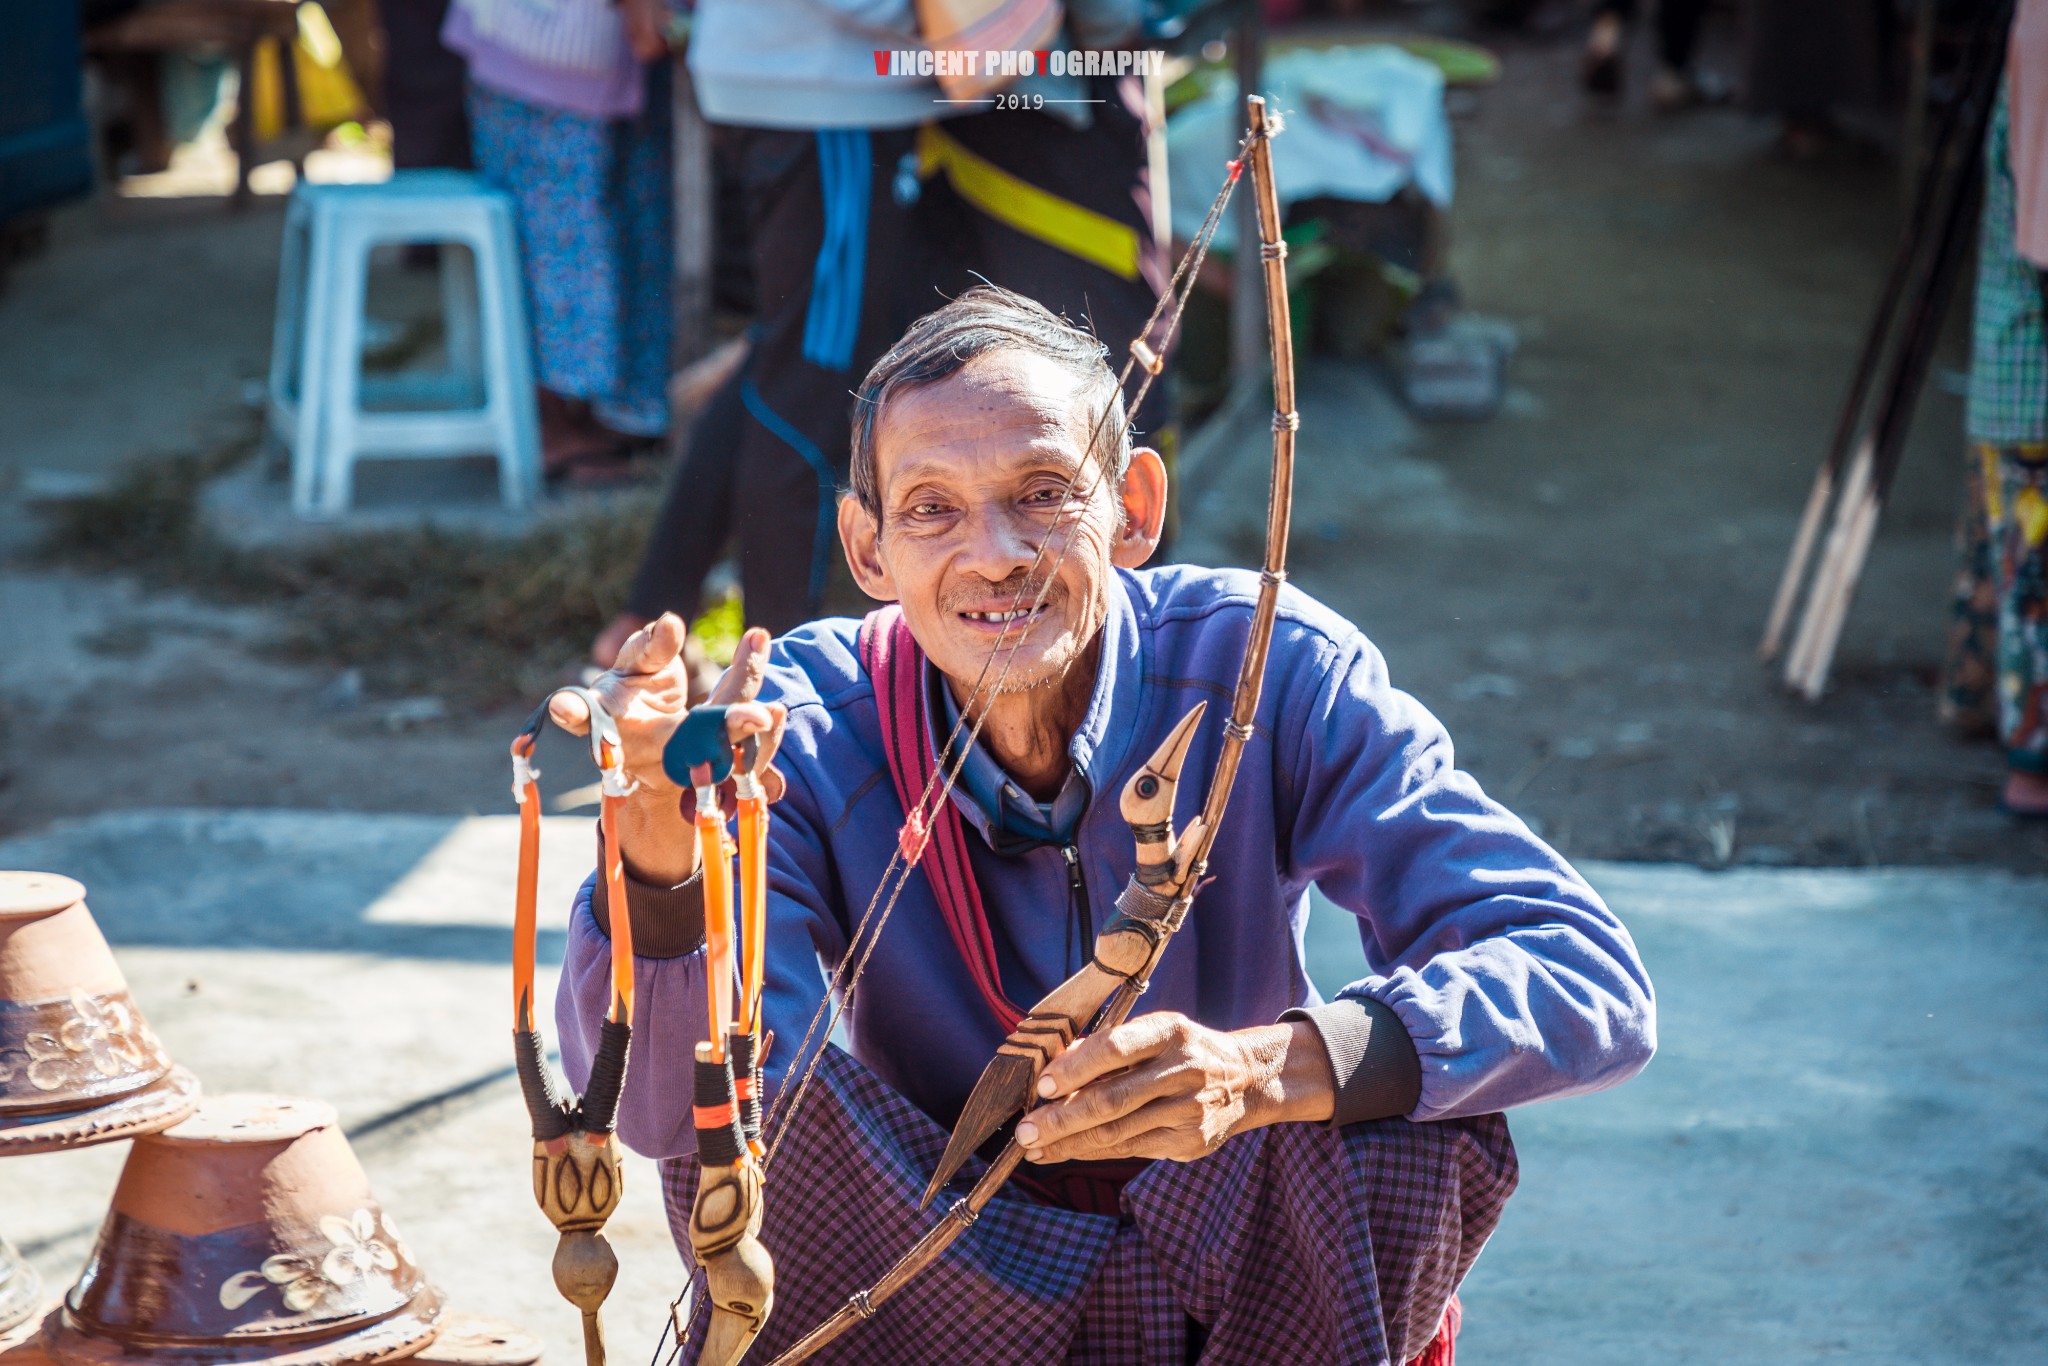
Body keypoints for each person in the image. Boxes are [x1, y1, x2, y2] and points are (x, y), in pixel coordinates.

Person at [550, 288, 1656, 1361]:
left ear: (1131, 507)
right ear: (868, 550)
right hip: (947, 1278)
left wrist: (1267, 1070)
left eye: (1041, 491)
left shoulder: (1265, 667)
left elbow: (1585, 977)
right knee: (753, 1142)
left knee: (1410, 1113)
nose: (993, 553)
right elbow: (675, 1115)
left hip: (1246, 1258)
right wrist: (655, 840)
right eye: (931, 508)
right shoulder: (799, 725)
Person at [442, 0, 674, 479]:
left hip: (607, 59)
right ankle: (545, 421)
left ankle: (603, 411)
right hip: (540, 48)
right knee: (553, 242)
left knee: (625, 229)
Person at [1943, 0, 2048, 816]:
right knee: (2032, 592)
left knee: (2016, 581)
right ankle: (2029, 769)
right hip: (2031, 385)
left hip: (2019, 379)